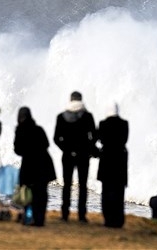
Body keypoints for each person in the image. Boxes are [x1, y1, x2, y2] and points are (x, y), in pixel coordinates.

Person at [53, 91, 97, 222]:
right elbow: (94, 136)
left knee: (67, 184)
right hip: (83, 155)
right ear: (81, 100)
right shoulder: (88, 116)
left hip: (67, 155)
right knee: (83, 185)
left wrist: (65, 149)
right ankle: (81, 215)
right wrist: (87, 148)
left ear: (70, 100)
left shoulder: (61, 116)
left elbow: (56, 138)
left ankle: (65, 214)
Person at [13, 106, 56, 226]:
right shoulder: (38, 129)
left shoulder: (20, 130)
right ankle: (40, 219)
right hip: (43, 164)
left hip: (29, 166)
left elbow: (17, 150)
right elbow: (46, 144)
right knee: (41, 194)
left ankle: (29, 218)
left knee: (28, 194)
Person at [96, 103, 129, 228]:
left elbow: (99, 138)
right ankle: (119, 220)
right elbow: (124, 140)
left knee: (106, 191)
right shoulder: (124, 124)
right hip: (120, 161)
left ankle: (108, 219)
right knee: (119, 192)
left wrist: (96, 152)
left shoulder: (103, 124)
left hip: (106, 161)